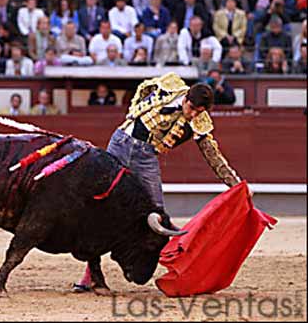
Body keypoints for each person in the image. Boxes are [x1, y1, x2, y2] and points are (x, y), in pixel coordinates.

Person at [73, 72, 248, 293]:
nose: (192, 114)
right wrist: (133, 113)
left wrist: (234, 183)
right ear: (185, 99)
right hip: (120, 142)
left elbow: (212, 154)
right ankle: (90, 276)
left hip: (146, 156)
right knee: (102, 207)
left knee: (158, 216)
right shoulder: (170, 85)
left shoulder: (199, 121)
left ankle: (177, 270)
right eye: (191, 108)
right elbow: (144, 86)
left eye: (198, 112)